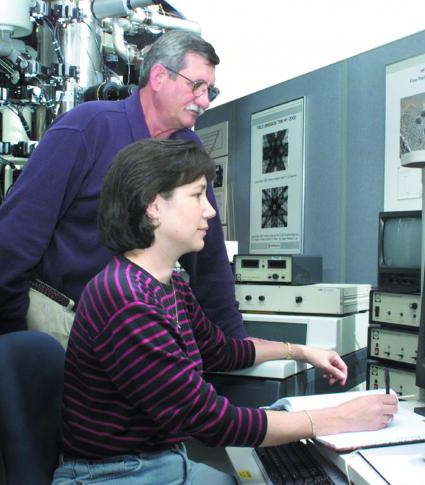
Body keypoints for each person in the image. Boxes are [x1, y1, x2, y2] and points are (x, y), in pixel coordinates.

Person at [51, 139, 399, 484]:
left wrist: (304, 351)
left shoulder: (168, 283)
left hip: (164, 461)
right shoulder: (128, 301)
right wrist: (337, 419)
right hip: (114, 475)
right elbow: (213, 422)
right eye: (197, 194)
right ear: (153, 205)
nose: (210, 211)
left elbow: (221, 351)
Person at [0, 30, 246, 348]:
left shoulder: (187, 148)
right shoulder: (88, 127)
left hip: (123, 328)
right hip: (59, 323)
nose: (204, 101)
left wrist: (234, 343)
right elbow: (14, 235)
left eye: (210, 91)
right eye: (196, 86)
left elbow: (209, 257)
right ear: (159, 76)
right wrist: (13, 338)